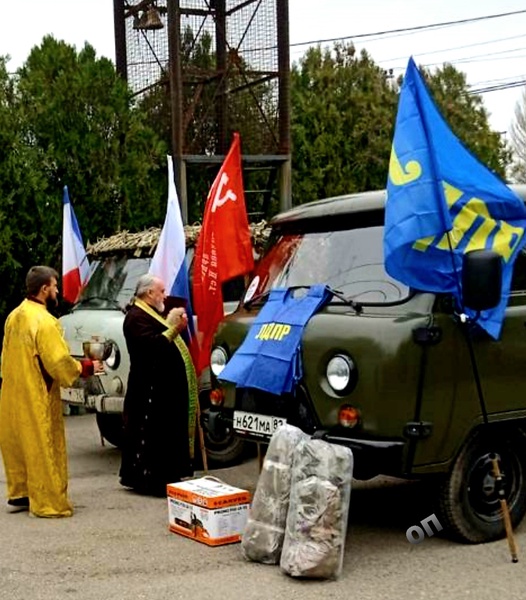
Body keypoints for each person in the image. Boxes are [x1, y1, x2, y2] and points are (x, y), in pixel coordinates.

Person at [0, 266, 98, 517]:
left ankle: (21, 492)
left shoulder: (14, 315)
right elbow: (58, 362)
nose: (57, 290)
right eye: (54, 286)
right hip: (37, 394)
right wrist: (85, 367)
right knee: (43, 445)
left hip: (13, 391)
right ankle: (48, 502)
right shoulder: (45, 321)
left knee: (20, 443)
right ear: (44, 289)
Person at [119, 274, 198, 497]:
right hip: (148, 388)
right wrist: (175, 329)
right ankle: (151, 480)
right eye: (161, 291)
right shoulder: (135, 317)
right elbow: (152, 346)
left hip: (158, 386)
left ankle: (168, 473)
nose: (165, 295)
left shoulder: (149, 312)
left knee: (163, 432)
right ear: (149, 293)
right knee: (151, 434)